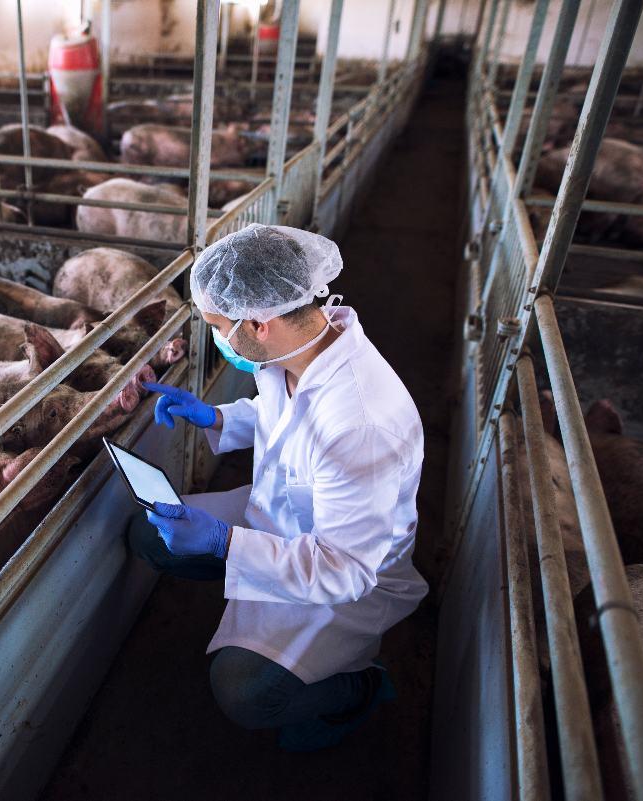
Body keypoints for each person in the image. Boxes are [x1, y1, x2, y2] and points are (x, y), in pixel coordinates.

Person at [132, 223, 427, 751]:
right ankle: (244, 592)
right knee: (149, 533)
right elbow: (281, 417)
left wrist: (225, 542)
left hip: (343, 572)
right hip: (281, 509)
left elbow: (345, 570)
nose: (218, 339)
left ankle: (359, 686)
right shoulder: (304, 344)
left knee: (243, 694)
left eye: (219, 326)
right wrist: (216, 417)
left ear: (260, 324)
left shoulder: (361, 424)